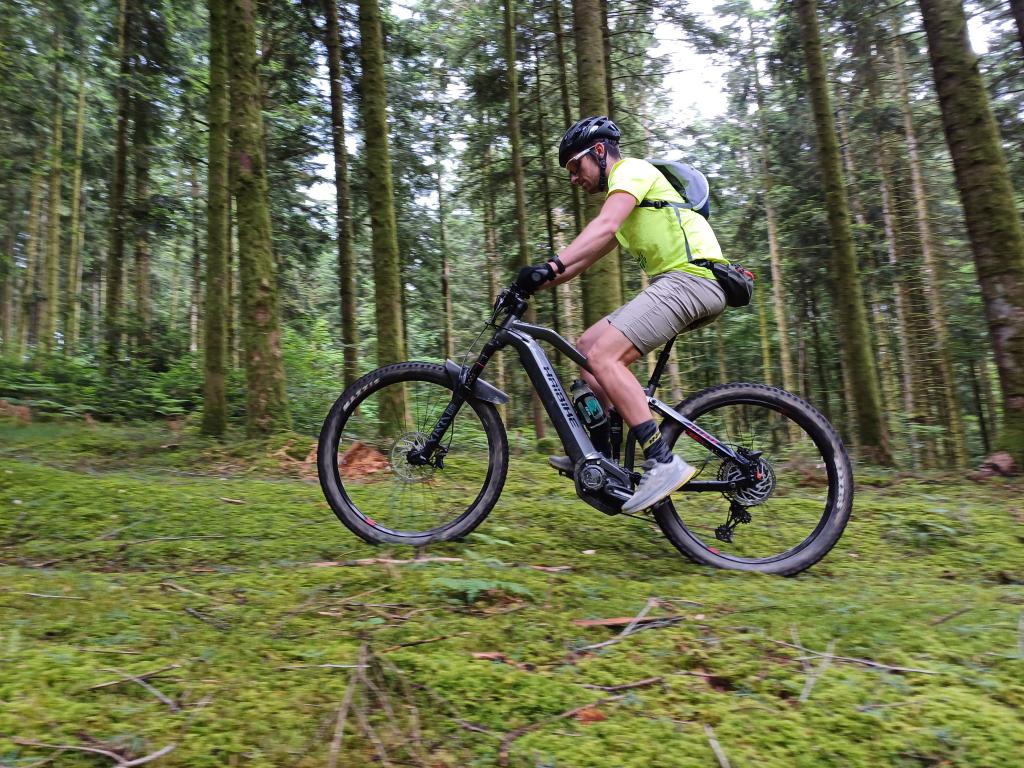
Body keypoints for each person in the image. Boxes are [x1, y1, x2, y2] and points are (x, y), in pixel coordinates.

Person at [514, 115, 728, 514]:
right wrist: (531, 284)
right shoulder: (627, 205)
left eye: (576, 167)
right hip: (683, 282)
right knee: (587, 349)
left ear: (599, 151)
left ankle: (662, 460)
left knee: (604, 356)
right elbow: (584, 258)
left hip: (693, 279)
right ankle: (603, 458)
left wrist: (550, 265)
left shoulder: (631, 171)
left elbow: (602, 225)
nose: (574, 179)